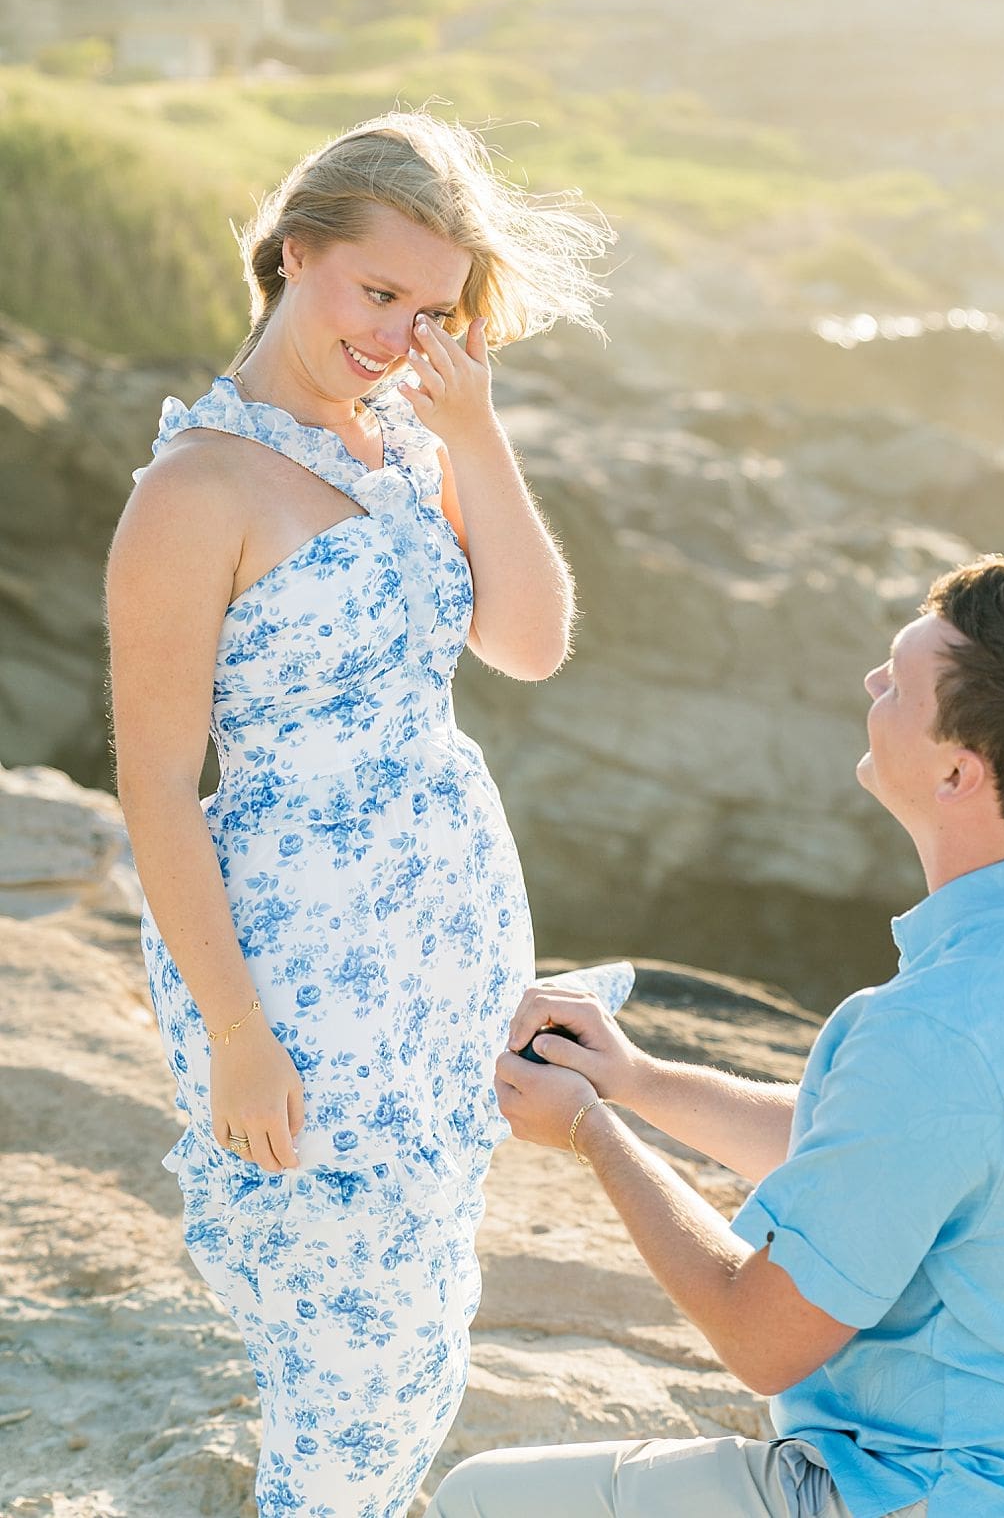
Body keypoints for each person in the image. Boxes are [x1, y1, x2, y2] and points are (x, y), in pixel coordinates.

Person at [431, 554, 1004, 1517]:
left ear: (960, 770)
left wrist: (592, 1131)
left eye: (899, 678)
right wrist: (634, 1077)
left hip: (942, 1492)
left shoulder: (935, 1033)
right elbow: (880, 1152)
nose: (872, 684)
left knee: (475, 1502)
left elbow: (760, 1338)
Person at [104, 110, 611, 1517]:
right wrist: (240, 1034)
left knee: (423, 1318)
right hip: (299, 967)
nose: (396, 334)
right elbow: (156, 785)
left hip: (440, 936)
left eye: (431, 309)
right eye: (375, 292)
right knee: (349, 1365)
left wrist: (480, 436)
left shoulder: (410, 442)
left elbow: (527, 640)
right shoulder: (194, 488)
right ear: (295, 251)